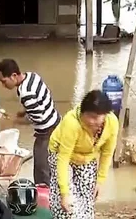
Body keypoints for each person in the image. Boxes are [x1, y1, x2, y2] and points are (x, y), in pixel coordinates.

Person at [47, 90, 119, 219]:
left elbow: (107, 153)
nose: (92, 121)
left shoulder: (112, 123)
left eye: (96, 117)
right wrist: (64, 193)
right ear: (82, 112)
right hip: (61, 154)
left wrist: (100, 181)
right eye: (89, 116)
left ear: (105, 115)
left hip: (87, 156)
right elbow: (63, 158)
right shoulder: (72, 122)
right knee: (67, 207)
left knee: (87, 199)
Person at [0, 58, 60, 186]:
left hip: (47, 132)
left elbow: (36, 118)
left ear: (13, 76)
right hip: (56, 121)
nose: (3, 85)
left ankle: (46, 201)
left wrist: (14, 120)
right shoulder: (32, 76)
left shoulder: (25, 93)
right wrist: (23, 112)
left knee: (42, 171)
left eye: (4, 81)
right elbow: (38, 100)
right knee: (51, 166)